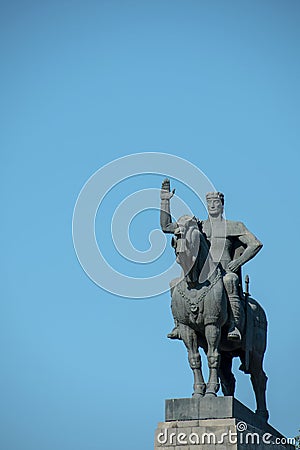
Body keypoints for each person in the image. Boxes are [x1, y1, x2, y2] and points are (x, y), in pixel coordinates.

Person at [160, 179, 263, 341]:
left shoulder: (234, 226)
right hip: (202, 273)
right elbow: (166, 227)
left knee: (230, 281)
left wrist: (238, 262)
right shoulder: (199, 226)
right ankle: (179, 325)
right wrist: (164, 201)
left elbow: (255, 244)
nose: (213, 206)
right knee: (174, 283)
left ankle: (234, 325)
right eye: (209, 203)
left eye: (216, 202)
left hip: (224, 272)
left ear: (222, 205)